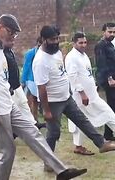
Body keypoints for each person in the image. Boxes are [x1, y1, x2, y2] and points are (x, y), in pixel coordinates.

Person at [0, 14, 87, 180]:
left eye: (15, 34)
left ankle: (61, 171)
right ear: (0, 27)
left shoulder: (0, 48)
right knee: (7, 151)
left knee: (33, 133)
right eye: (11, 32)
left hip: (8, 103)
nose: (13, 36)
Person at [32, 25, 115, 162]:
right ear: (43, 39)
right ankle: (48, 161)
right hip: (53, 102)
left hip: (66, 98)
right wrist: (46, 111)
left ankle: (102, 144)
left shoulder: (56, 52)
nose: (56, 42)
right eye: (52, 39)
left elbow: (61, 73)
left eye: (57, 39)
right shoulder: (40, 61)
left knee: (82, 121)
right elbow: (41, 88)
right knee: (53, 133)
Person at [66, 32, 115, 155]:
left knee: (108, 113)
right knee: (80, 121)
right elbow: (73, 77)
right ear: (74, 43)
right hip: (82, 97)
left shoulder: (83, 55)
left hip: (92, 95)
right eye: (80, 43)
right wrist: (82, 94)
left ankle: (79, 146)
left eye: (85, 42)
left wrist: (94, 86)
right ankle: (78, 146)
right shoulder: (71, 57)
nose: (83, 45)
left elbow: (87, 74)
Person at [95, 22, 115, 141]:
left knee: (112, 106)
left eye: (114, 32)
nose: (112, 34)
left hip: (112, 78)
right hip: (109, 80)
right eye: (110, 32)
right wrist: (110, 79)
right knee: (111, 106)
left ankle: (108, 133)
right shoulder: (101, 45)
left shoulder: (110, 44)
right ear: (104, 32)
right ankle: (107, 134)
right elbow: (101, 64)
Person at [21, 37, 42, 122]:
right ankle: (31, 119)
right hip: (31, 80)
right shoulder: (31, 53)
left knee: (37, 101)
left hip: (40, 79)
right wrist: (23, 80)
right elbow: (26, 67)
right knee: (30, 100)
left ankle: (35, 119)